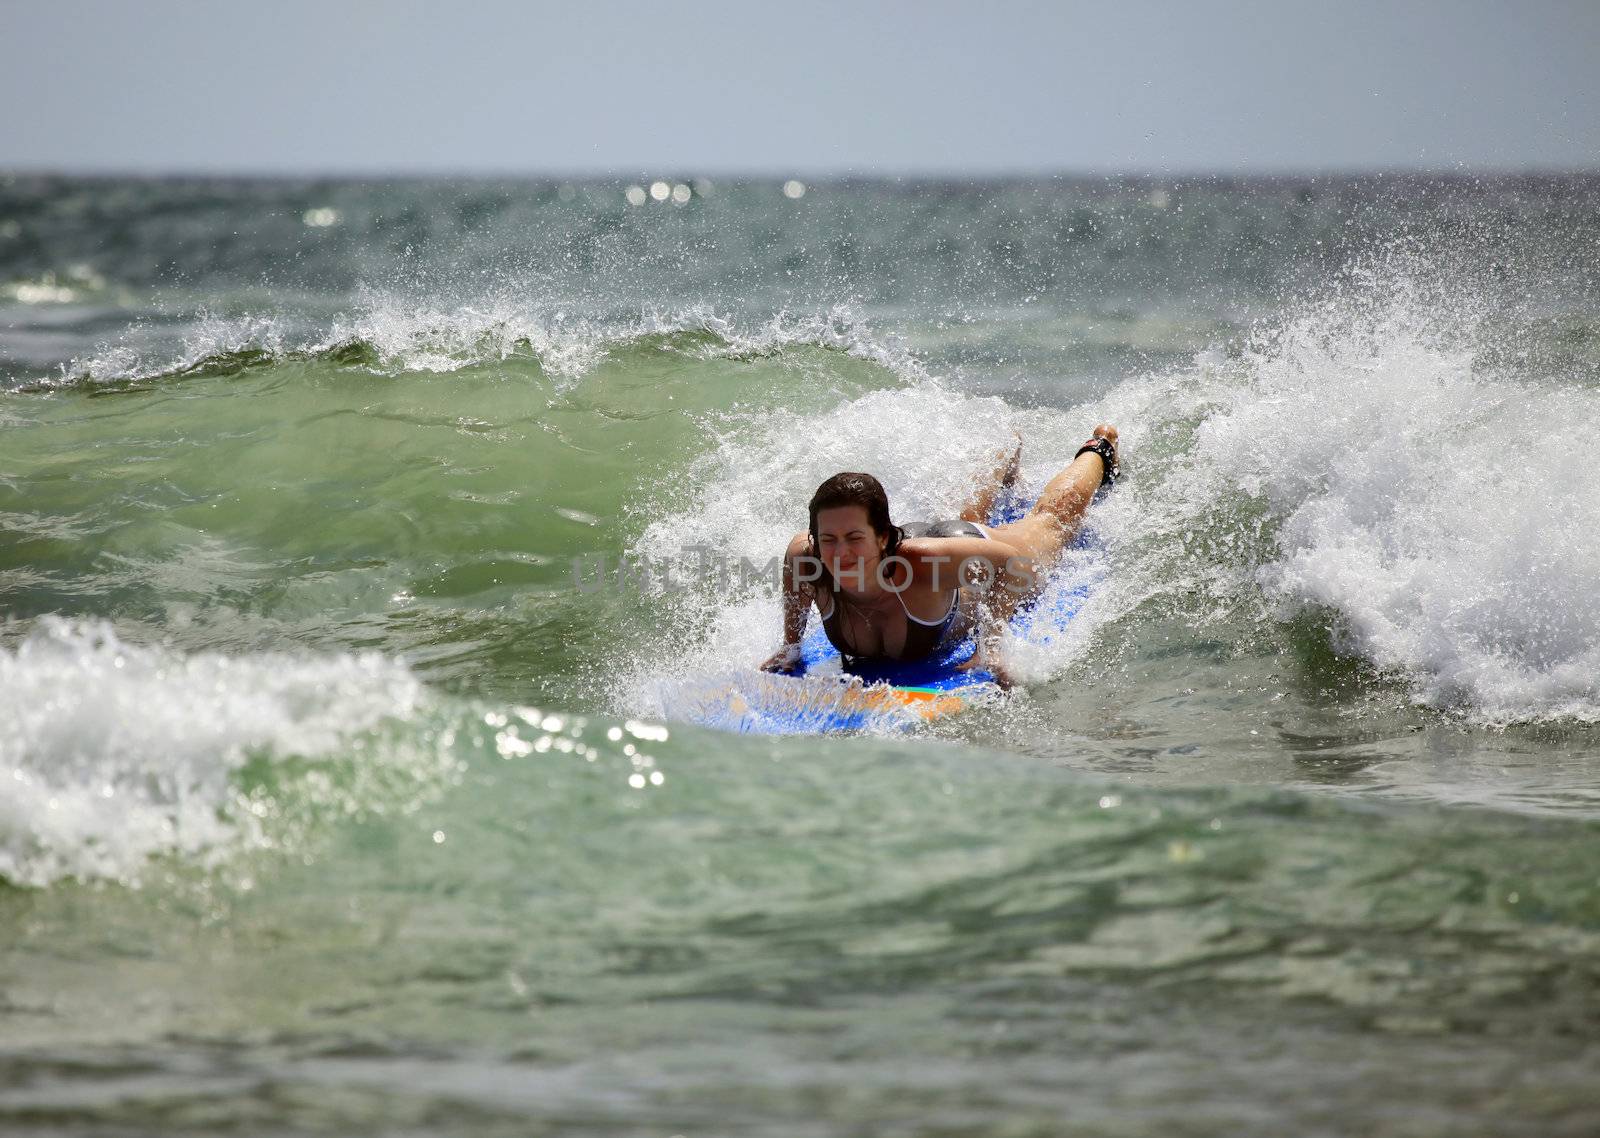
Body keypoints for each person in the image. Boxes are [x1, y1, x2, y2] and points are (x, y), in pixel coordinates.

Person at [760, 424, 1119, 687]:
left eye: (854, 537)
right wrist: (790, 646)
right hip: (939, 548)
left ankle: (1099, 448)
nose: (840, 553)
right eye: (829, 539)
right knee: (960, 518)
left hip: (953, 566)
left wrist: (989, 644)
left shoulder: (922, 568)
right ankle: (1006, 448)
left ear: (882, 537)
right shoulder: (806, 559)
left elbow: (1012, 565)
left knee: (1053, 520)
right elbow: (796, 566)